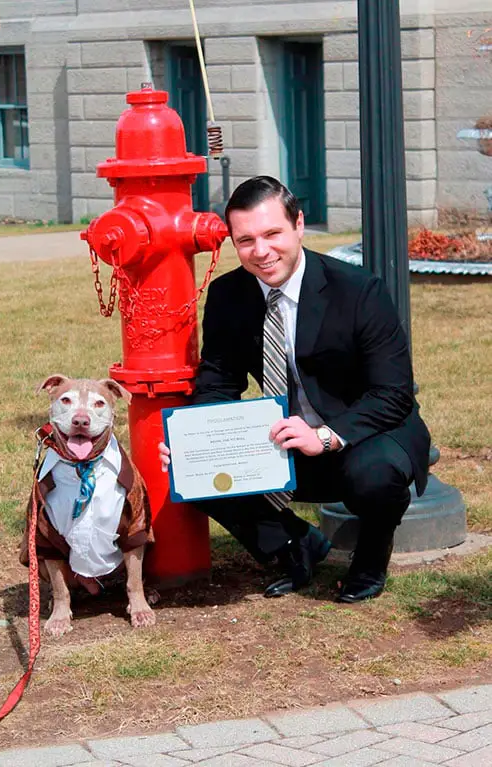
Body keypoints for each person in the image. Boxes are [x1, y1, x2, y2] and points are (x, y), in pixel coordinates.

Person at [160, 176, 430, 602]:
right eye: (245, 240)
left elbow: (393, 394)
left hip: (366, 433)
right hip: (287, 437)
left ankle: (371, 556)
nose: (261, 251)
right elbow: (218, 378)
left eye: (272, 234)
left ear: (299, 225)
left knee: (375, 476)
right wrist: (195, 437)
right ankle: (293, 545)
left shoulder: (359, 291)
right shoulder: (229, 295)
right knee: (191, 470)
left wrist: (323, 436)